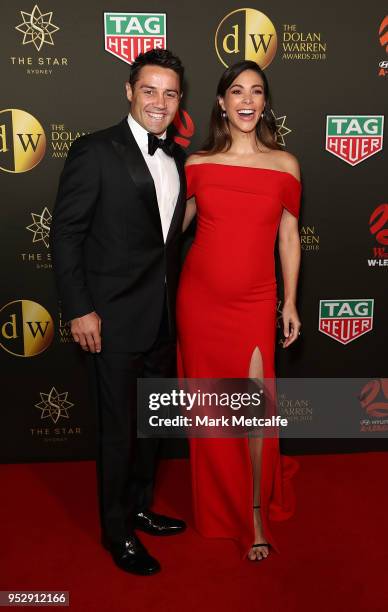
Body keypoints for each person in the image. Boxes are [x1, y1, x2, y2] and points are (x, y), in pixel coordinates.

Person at [51, 49, 187, 576]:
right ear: (129, 92)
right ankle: (116, 531)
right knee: (118, 431)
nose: (159, 102)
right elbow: (66, 235)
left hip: (163, 320)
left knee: (152, 426)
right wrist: (80, 308)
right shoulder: (95, 151)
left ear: (180, 101)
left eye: (170, 93)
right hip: (109, 320)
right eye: (149, 90)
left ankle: (140, 507)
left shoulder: (177, 157)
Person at [177, 60, 302, 561]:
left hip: (254, 300)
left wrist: (289, 300)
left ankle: (252, 508)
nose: (246, 99)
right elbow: (167, 233)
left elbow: (290, 238)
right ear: (221, 103)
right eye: (236, 91)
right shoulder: (197, 164)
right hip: (200, 303)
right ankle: (218, 503)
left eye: (256, 91)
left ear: (264, 103)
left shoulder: (286, 164)